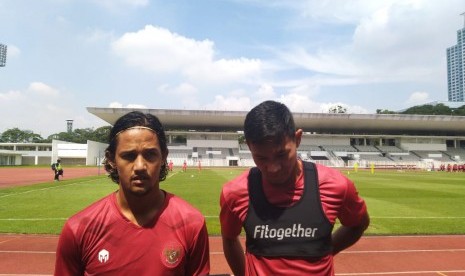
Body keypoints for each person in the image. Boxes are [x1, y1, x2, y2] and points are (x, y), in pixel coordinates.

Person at [220, 100, 370, 275]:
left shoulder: (337, 186)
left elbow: (358, 224)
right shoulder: (235, 193)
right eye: (261, 158)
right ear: (249, 146)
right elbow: (229, 239)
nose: (273, 168)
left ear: (297, 139)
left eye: (282, 154)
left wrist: (325, 250)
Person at [55, 111, 210, 275]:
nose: (140, 166)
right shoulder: (78, 229)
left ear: (164, 157)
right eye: (129, 156)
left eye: (150, 154)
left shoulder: (192, 224)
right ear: (111, 159)